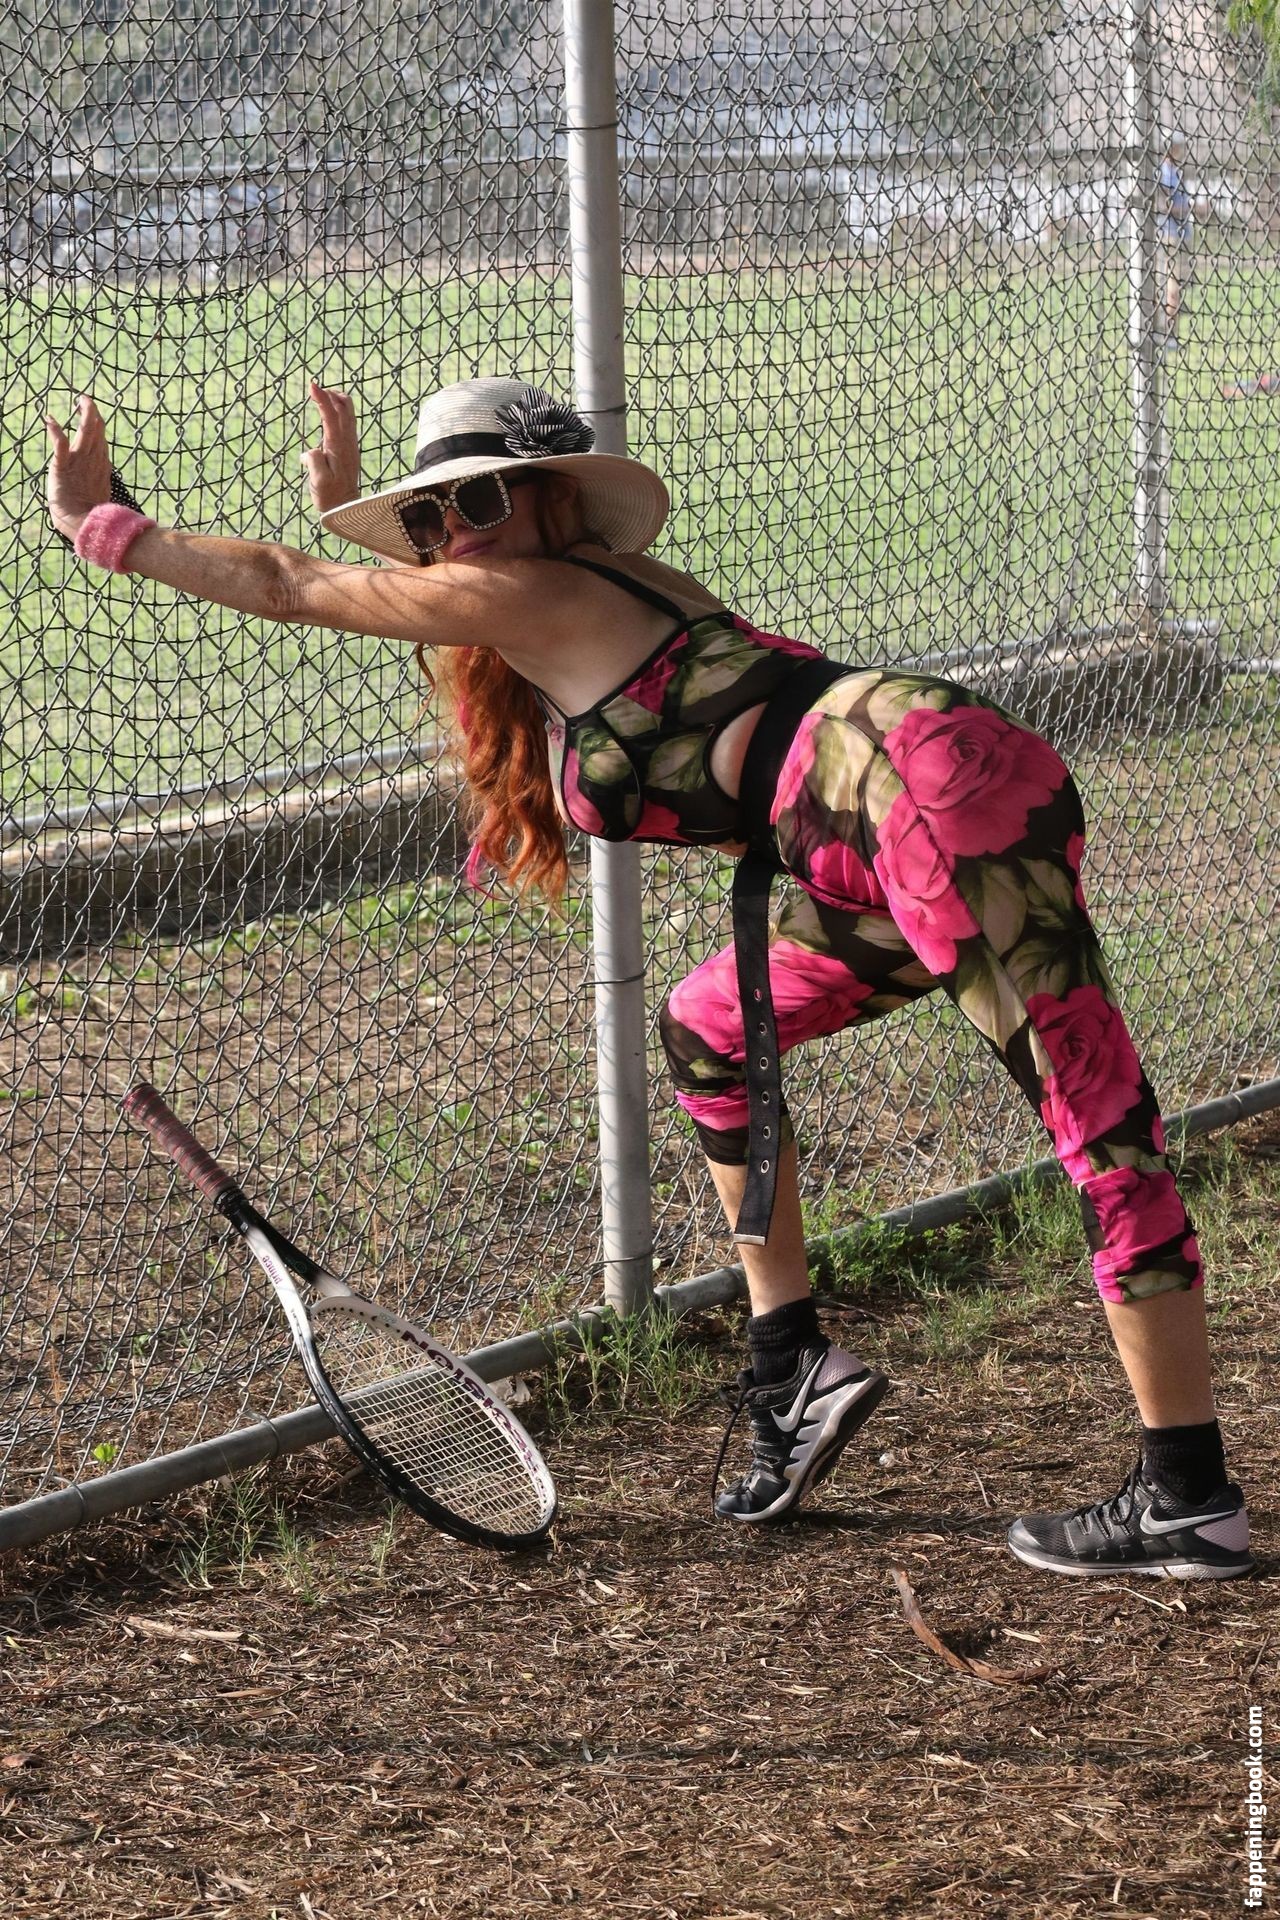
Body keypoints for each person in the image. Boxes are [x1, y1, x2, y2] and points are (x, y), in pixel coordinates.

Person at [45, 375, 1252, 1578]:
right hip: (860, 830)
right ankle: (792, 1366)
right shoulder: (560, 600)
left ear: (553, 496)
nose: (452, 533)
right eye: (427, 516)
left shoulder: (543, 589)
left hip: (917, 791)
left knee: (1097, 1126)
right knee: (706, 1026)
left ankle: (1185, 1497)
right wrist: (364, 523)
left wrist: (110, 528)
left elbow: (288, 584)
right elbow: (416, 602)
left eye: (477, 500)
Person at [1157, 132, 1193, 350]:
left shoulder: (1175, 172)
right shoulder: (1165, 173)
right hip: (1170, 235)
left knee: (1173, 286)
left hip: (1178, 235)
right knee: (1171, 288)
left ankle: (1168, 333)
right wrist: (1191, 209)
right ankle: (1168, 335)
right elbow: (1165, 204)